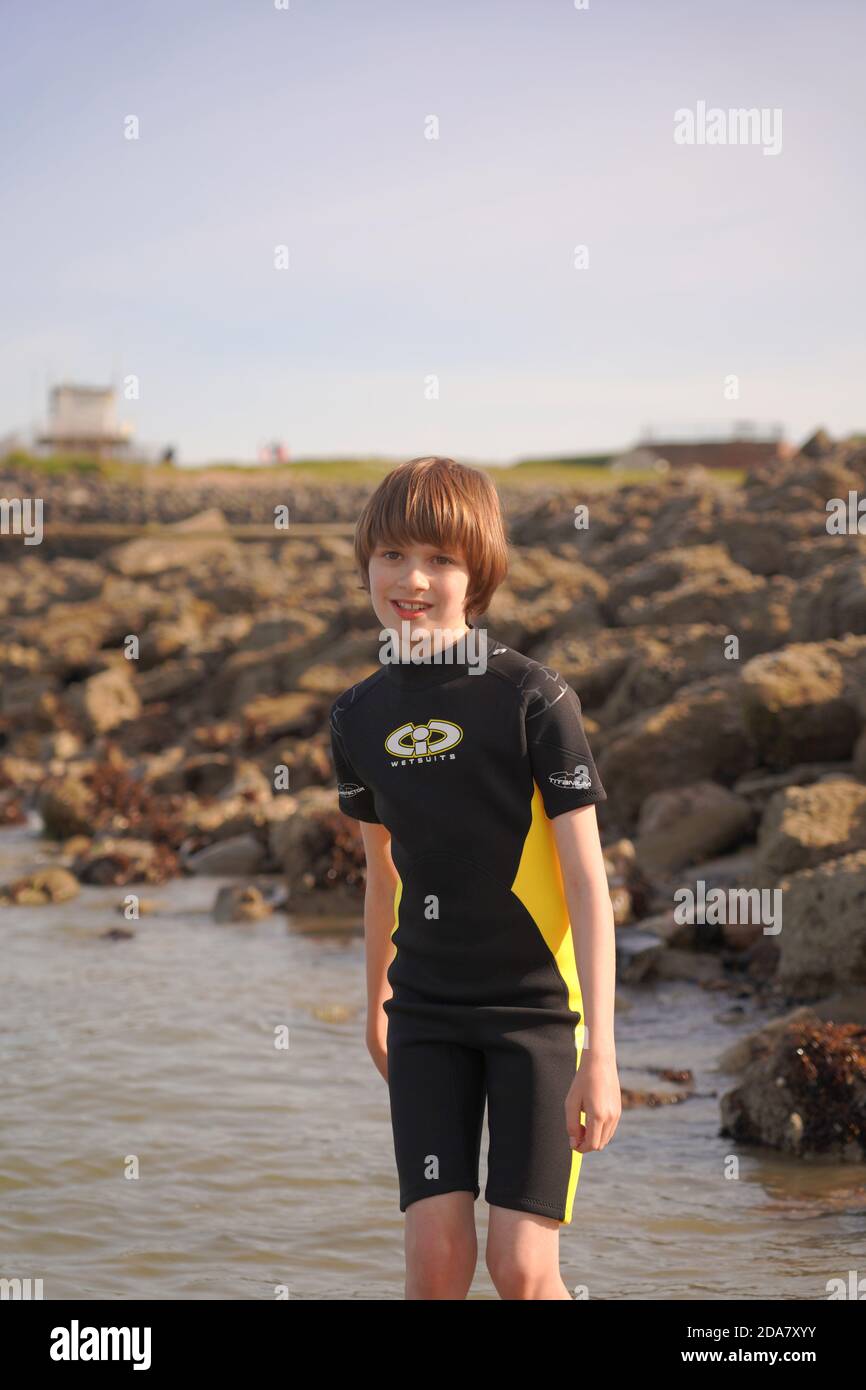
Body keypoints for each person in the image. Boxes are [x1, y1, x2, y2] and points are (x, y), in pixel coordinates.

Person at [329, 456, 621, 1299]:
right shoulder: (356, 716)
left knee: (522, 1270)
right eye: (391, 554)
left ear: (478, 573)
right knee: (435, 1266)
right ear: (366, 563)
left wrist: (599, 1052)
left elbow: (588, 886)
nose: (412, 579)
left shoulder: (532, 699)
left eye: (439, 559)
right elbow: (381, 872)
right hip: (424, 1014)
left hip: (537, 1016)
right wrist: (376, 1005)